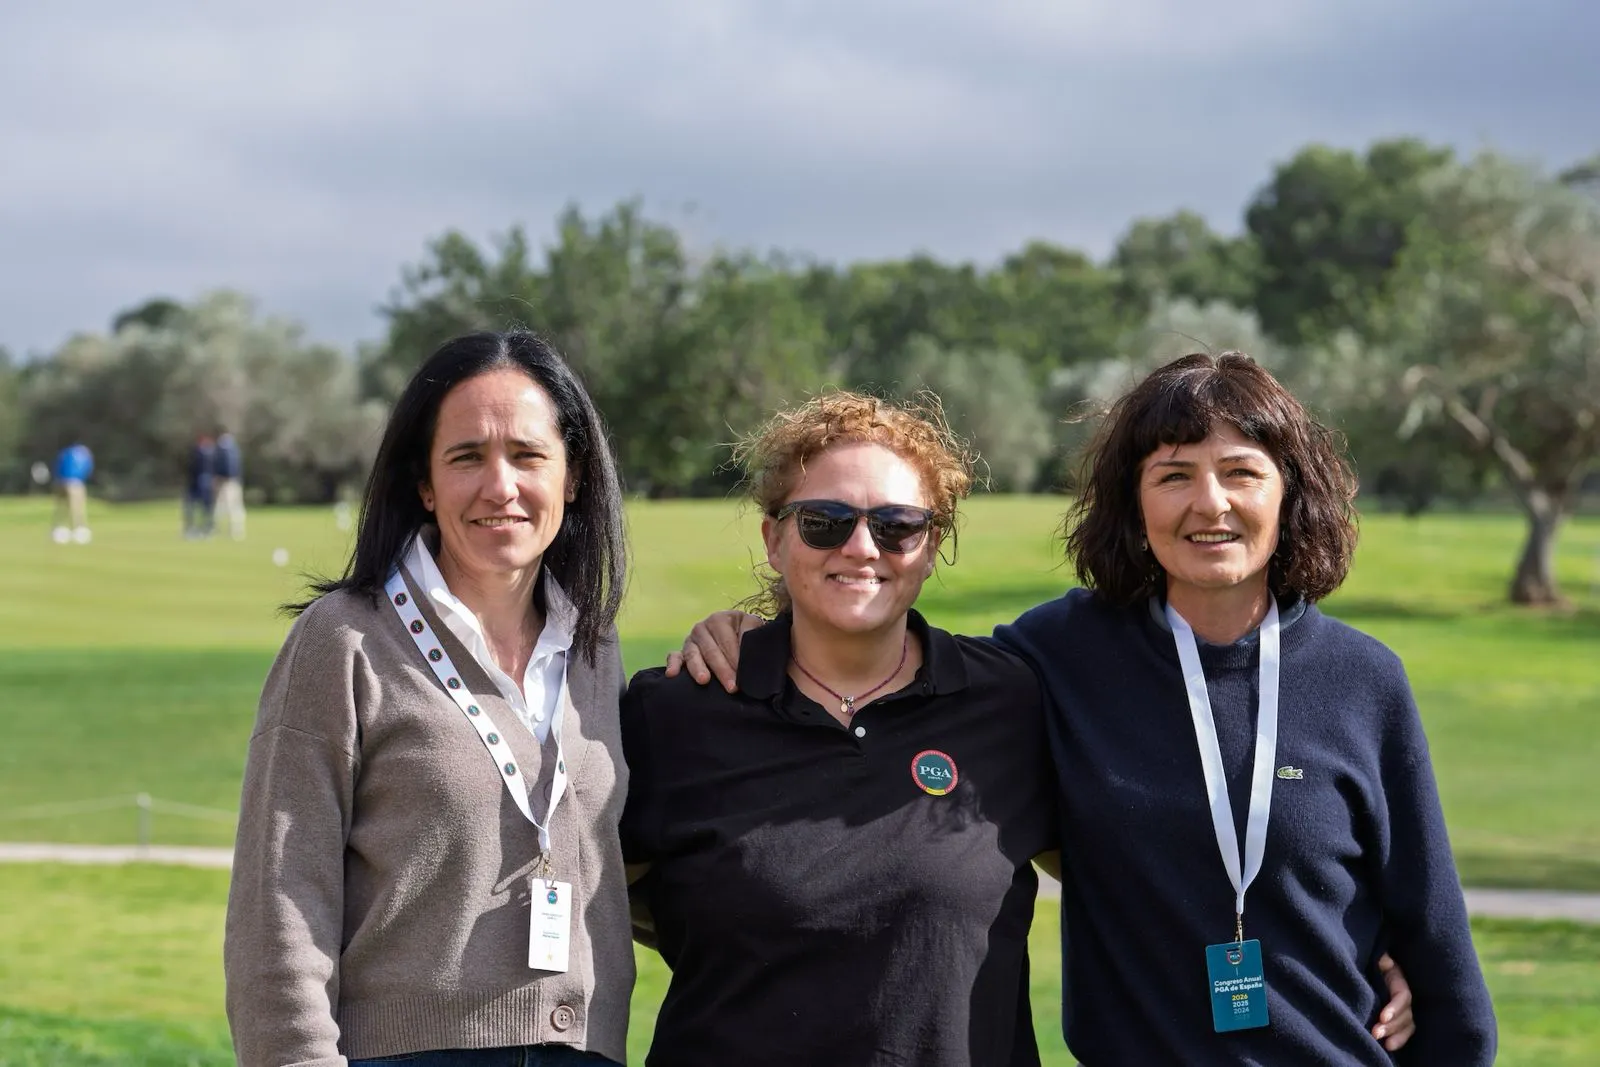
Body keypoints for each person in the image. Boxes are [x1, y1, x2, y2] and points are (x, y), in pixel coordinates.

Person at [675, 354, 1482, 1063]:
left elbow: (1435, 938)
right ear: (1133, 503)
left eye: (1241, 471)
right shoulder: (1053, 658)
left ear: (1288, 491)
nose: (1211, 504)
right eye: (1173, 475)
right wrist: (765, 629)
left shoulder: (1365, 679)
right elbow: (881, 645)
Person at [224, 331, 633, 1067]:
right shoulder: (345, 640)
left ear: (573, 476)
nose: (500, 486)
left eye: (528, 455)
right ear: (424, 483)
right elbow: (278, 904)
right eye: (467, 456)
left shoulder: (594, 651)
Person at [621, 391, 1059, 1066]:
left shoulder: (1009, 699)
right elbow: (588, 899)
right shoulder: (679, 709)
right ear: (773, 537)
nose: (861, 547)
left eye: (896, 525)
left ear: (932, 543)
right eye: (825, 521)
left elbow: (1120, 873)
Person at [51, 441, 94, 544]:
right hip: (76, 482)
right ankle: (78, 528)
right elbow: (87, 469)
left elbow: (57, 466)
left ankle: (57, 527)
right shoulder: (84, 455)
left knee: (62, 507)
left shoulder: (65, 453)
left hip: (61, 481)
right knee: (78, 507)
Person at [212, 430, 246, 540]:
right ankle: (235, 530)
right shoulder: (234, 449)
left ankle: (221, 529)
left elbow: (225, 466)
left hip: (226, 482)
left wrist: (219, 477)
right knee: (234, 507)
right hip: (234, 481)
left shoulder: (224, 449)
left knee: (224, 507)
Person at [183, 432, 216, 538]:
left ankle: (203, 527)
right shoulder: (209, 453)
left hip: (200, 483)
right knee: (199, 507)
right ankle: (201, 527)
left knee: (201, 507)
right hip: (199, 483)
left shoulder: (202, 453)